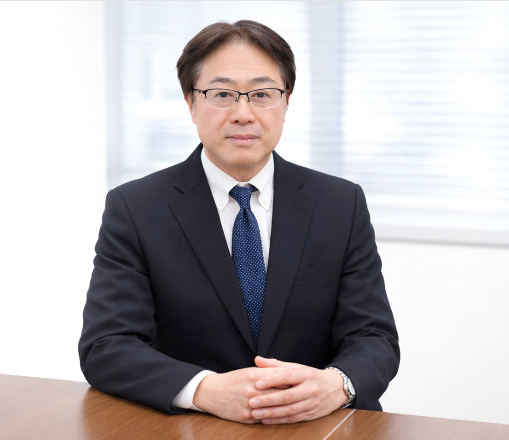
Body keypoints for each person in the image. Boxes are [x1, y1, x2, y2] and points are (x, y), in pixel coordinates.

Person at [79, 20, 399, 425]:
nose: (243, 114)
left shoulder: (339, 202)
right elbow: (107, 346)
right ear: (190, 102)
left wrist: (334, 384)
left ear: (286, 103)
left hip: (317, 425)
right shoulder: (136, 207)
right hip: (191, 426)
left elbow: (374, 337)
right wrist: (205, 390)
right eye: (222, 94)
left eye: (262, 94)